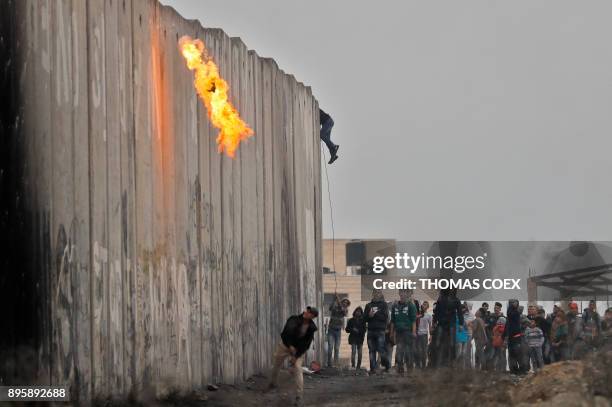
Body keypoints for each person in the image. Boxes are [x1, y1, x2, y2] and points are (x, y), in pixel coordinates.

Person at [268, 306, 319, 406]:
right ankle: (273, 383)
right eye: (307, 310)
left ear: (313, 316)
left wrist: (296, 356)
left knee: (297, 368)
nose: (307, 312)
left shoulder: (311, 328)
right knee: (277, 364)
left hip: (298, 350)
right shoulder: (294, 319)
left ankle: (299, 396)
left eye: (310, 312)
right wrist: (290, 346)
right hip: (285, 345)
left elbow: (306, 344)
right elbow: (285, 334)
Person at [432, 288, 463, 367]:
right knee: (437, 343)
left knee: (452, 343)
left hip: (451, 323)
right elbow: (437, 311)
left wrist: (461, 324)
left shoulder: (456, 300)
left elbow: (460, 312)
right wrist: (434, 322)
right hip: (441, 323)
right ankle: (435, 362)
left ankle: (452, 363)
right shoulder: (441, 298)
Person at [391, 289, 417, 374]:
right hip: (398, 332)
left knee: (408, 351)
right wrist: (392, 333)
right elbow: (393, 321)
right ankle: (400, 370)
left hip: (408, 332)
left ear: (407, 294)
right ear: (399, 293)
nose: (403, 294)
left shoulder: (411, 305)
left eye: (405, 292)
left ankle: (410, 370)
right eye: (401, 292)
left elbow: (413, 320)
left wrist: (413, 332)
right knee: (399, 351)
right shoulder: (395, 306)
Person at [364, 289, 390, 374]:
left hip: (380, 330)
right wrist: (369, 316)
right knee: (371, 350)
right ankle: (373, 369)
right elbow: (364, 319)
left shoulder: (384, 305)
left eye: (378, 292)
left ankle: (387, 366)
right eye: (375, 292)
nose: (376, 294)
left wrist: (376, 314)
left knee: (380, 348)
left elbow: (385, 317)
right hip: (371, 330)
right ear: (372, 294)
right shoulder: (368, 305)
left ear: (380, 294)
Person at [505, 299, 527, 374]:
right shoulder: (509, 317)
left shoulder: (517, 314)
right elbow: (506, 328)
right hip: (511, 338)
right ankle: (514, 370)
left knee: (518, 353)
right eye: (510, 304)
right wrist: (504, 337)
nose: (511, 305)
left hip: (517, 337)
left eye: (512, 303)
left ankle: (522, 370)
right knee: (512, 354)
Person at [327, 296, 349, 367]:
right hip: (331, 330)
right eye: (344, 302)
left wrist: (338, 300)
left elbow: (344, 312)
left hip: (338, 331)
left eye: (346, 303)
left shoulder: (345, 310)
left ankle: (335, 363)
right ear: (342, 302)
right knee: (330, 347)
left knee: (336, 348)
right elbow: (330, 308)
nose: (345, 303)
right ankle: (329, 363)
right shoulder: (335, 307)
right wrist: (334, 300)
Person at [485, 302, 505, 370]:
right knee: (490, 354)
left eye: (497, 308)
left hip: (500, 340)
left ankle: (499, 369)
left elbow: (505, 330)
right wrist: (489, 336)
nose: (495, 309)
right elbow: (486, 327)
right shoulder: (490, 317)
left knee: (499, 354)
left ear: (500, 309)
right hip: (491, 338)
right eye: (495, 307)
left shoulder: (503, 318)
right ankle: (488, 368)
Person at [415, 301, 433, 368]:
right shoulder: (418, 314)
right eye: (423, 304)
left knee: (424, 351)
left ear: (427, 307)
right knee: (418, 350)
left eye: (425, 304)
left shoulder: (429, 316)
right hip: (417, 334)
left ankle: (423, 365)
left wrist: (431, 336)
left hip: (424, 335)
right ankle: (418, 365)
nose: (424, 305)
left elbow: (430, 326)